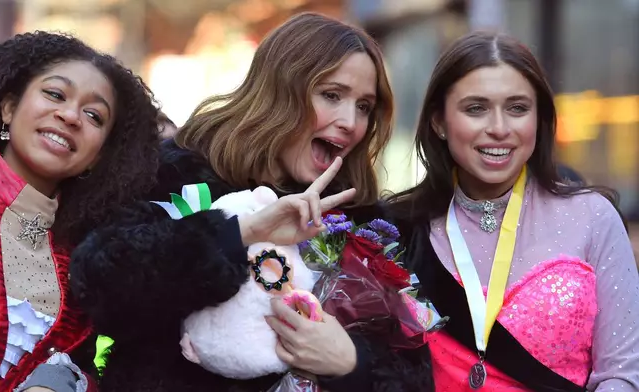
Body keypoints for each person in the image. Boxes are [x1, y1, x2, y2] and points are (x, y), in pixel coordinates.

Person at [69, 12, 433, 392]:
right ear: (280, 89)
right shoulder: (174, 173)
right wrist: (238, 233)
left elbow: (415, 368)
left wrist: (351, 364)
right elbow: (99, 283)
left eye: (364, 106)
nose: (350, 122)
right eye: (332, 95)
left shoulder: (363, 223)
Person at [389, 31, 639, 391]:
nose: (499, 128)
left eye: (518, 108)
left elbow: (623, 374)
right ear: (438, 122)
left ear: (539, 118)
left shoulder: (593, 219)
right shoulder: (398, 231)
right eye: (476, 108)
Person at [0, 32, 160, 391]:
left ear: (98, 156)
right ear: (8, 107)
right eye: (55, 94)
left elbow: (82, 362)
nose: (70, 116)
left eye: (94, 116)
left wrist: (59, 382)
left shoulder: (80, 260)